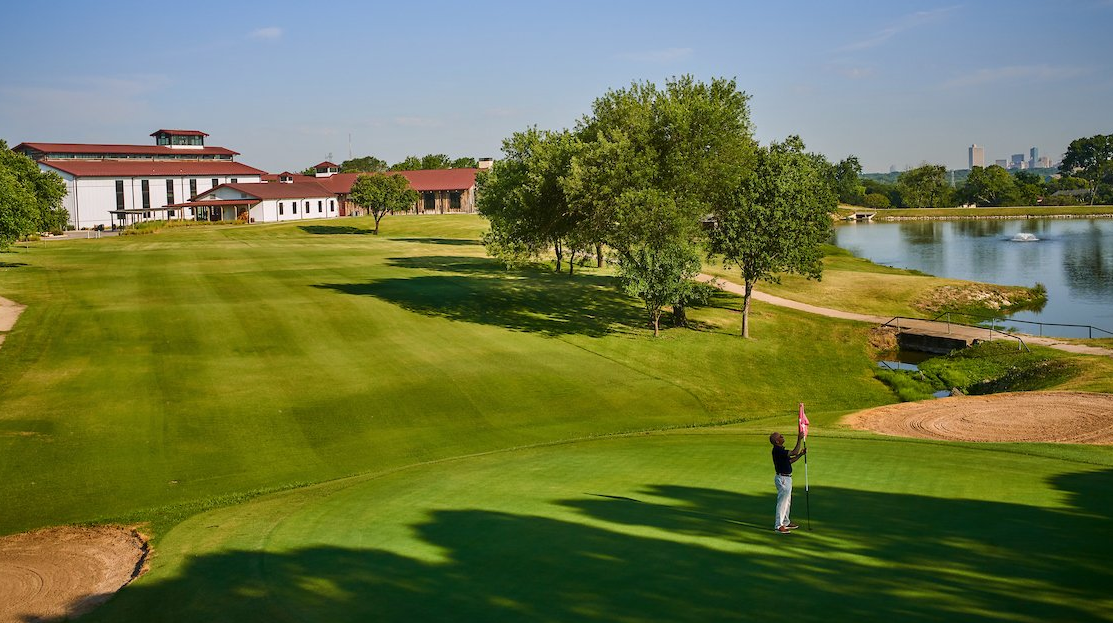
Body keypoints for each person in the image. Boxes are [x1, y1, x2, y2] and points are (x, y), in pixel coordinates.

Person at [770, 431, 806, 533]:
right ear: (777, 441)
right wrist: (799, 439)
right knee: (782, 503)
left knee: (787, 502)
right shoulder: (777, 450)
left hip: (787, 478)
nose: (782, 437)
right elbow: (794, 452)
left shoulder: (780, 450)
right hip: (783, 479)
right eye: (780, 436)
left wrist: (800, 455)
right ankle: (778, 525)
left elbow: (790, 461)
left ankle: (785, 522)